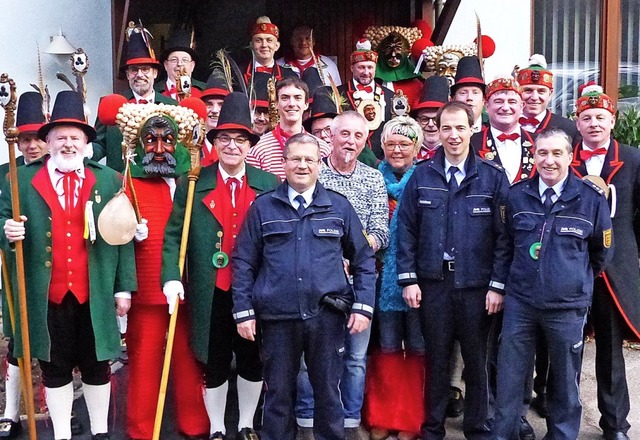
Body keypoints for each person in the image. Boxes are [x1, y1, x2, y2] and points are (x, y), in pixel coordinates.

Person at [0, 90, 137, 440]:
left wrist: (123, 288)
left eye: (75, 137)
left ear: (86, 142)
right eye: (60, 137)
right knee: (54, 366)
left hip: (96, 290)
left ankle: (101, 432)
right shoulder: (20, 181)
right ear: (48, 140)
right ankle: (61, 434)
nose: (68, 144)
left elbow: (122, 237)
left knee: (97, 365)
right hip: (46, 292)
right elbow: (1, 223)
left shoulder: (109, 181)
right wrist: (6, 229)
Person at [232, 132, 376, 440]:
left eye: (309, 159)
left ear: (319, 165)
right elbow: (243, 262)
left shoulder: (338, 207)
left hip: (326, 317)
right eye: (295, 159)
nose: (302, 165)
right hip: (277, 317)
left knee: (327, 392)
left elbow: (364, 260)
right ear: (283, 164)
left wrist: (363, 308)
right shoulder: (263, 208)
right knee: (278, 394)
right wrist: (243, 311)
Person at [162, 92, 279, 440]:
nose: (232, 146)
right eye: (225, 138)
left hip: (255, 289)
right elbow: (172, 235)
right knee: (213, 361)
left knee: (251, 358)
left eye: (240, 139)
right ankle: (216, 427)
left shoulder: (268, 184)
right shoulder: (193, 182)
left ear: (249, 145)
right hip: (208, 287)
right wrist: (171, 277)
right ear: (215, 142)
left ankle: (244, 424)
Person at [94, 99, 210, 439]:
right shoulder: (128, 182)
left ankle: (194, 425)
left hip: (190, 287)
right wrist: (124, 285)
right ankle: (142, 429)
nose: (159, 149)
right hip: (146, 289)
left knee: (190, 363)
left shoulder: (194, 182)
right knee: (144, 365)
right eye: (151, 141)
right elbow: (115, 240)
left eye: (167, 141)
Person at [397, 101, 509, 440]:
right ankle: (432, 428)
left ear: (473, 129)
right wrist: (408, 279)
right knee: (437, 359)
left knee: (476, 361)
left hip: (477, 286)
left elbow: (506, 239)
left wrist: (497, 285)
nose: (453, 135)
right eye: (446, 128)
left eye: (460, 127)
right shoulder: (422, 174)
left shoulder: (492, 177)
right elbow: (406, 231)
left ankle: (477, 427)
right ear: (437, 131)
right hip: (435, 284)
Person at [492, 128, 613, 440]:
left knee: (563, 383)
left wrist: (572, 279)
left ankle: (561, 435)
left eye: (556, 153)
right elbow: (505, 245)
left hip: (567, 307)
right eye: (542, 153)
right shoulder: (517, 196)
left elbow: (602, 252)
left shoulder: (590, 199)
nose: (549, 160)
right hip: (521, 304)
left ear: (569, 156)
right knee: (509, 380)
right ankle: (503, 434)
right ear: (534, 155)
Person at [295, 111, 389, 440]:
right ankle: (307, 419)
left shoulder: (373, 178)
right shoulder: (316, 176)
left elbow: (381, 229)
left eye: (357, 136)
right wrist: (335, 259)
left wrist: (358, 251)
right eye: (343, 134)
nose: (350, 142)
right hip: (320, 285)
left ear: (366, 141)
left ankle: (350, 421)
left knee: (356, 358)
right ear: (330, 138)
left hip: (360, 282)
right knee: (311, 357)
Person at [571, 85, 640, 440]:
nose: (594, 123)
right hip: (569, 265)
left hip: (613, 268)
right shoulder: (562, 157)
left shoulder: (633, 158)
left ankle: (615, 424)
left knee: (611, 350)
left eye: (600, 117)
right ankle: (560, 418)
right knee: (562, 345)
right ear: (577, 123)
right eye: (586, 117)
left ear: (612, 121)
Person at [364, 116, 425, 440]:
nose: (397, 149)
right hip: (382, 280)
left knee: (416, 348)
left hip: (418, 280)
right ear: (382, 146)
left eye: (405, 143)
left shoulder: (426, 179)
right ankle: (384, 415)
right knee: (386, 348)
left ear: (416, 147)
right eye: (391, 143)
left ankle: (411, 419)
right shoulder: (374, 179)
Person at [0, 91, 49, 439]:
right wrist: (5, 228)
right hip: (18, 270)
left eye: (37, 138)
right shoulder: (6, 174)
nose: (31, 146)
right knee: (20, 339)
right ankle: (11, 411)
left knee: (55, 340)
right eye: (25, 139)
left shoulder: (60, 169)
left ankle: (49, 405)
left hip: (53, 271)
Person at [92, 24, 176, 172]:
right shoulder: (111, 105)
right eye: (134, 70)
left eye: (145, 69)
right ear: (127, 75)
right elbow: (99, 145)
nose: (139, 75)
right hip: (120, 183)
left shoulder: (172, 106)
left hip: (160, 182)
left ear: (155, 73)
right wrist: (80, 150)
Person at [246, 76, 331, 181]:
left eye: (297, 98)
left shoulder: (322, 149)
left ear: (306, 104)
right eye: (285, 98)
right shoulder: (258, 149)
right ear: (276, 104)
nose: (291, 104)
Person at [471, 76, 536, 184]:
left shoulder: (538, 142)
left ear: (522, 106)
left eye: (512, 102)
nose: (505, 107)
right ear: (487, 106)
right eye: (498, 101)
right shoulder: (472, 143)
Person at [337, 39, 393, 160]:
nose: (366, 72)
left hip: (383, 161)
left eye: (370, 67)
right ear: (352, 68)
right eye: (361, 67)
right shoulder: (336, 94)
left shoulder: (390, 96)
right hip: (347, 159)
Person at [516, 54, 577, 139]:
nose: (534, 97)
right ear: (517, 92)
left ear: (550, 94)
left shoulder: (569, 128)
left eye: (541, 91)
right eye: (528, 90)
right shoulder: (504, 124)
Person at [243, 16, 297, 99]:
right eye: (258, 40)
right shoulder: (238, 74)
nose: (264, 45)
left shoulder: (290, 76)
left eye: (269, 40)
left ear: (276, 46)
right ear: (251, 45)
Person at [277, 24, 342, 87]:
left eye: (308, 38)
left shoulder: (329, 66)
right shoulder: (278, 65)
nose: (303, 42)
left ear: (313, 41)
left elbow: (337, 95)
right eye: (298, 39)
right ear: (292, 41)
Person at [155, 27, 207, 100]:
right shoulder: (153, 91)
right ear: (166, 65)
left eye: (185, 60)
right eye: (174, 60)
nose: (179, 64)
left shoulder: (205, 91)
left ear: (192, 66)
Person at [410, 75, 449, 161]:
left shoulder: (456, 153)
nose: (431, 124)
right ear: (417, 122)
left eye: (436, 119)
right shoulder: (406, 152)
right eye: (425, 119)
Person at [199, 68, 232, 166]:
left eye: (221, 105)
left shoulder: (236, 144)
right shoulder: (192, 141)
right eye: (209, 104)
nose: (214, 110)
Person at [450, 56, 486, 133]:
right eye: (463, 93)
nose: (469, 98)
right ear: (453, 99)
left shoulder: (493, 128)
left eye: (475, 92)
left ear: (483, 100)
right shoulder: (445, 130)